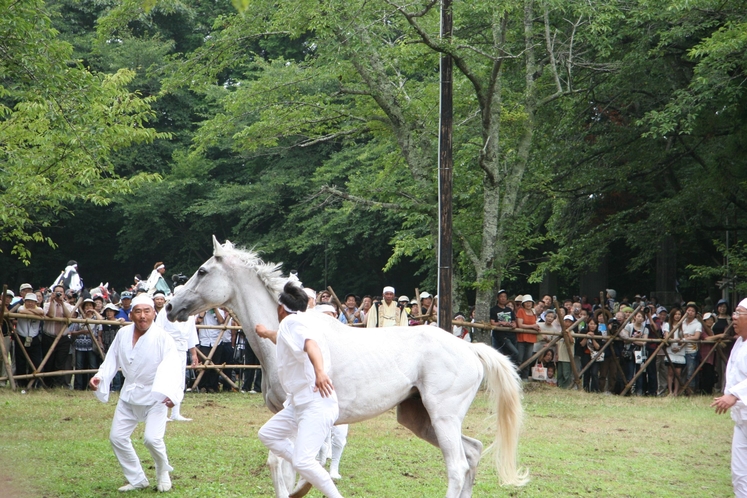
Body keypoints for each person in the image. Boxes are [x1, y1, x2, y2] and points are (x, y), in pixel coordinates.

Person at [255, 281, 344, 498]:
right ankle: (308, 468)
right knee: (267, 434)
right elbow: (284, 339)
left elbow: (309, 345)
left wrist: (320, 372)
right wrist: (266, 333)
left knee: (304, 462)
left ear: (280, 309)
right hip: (299, 403)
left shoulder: (292, 323)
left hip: (316, 402)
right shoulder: (298, 322)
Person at [89, 294, 183, 493]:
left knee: (152, 439)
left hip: (155, 395)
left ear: (154, 314)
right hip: (129, 394)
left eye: (146, 311)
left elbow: (173, 367)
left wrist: (171, 393)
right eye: (138, 311)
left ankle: (162, 471)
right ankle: (138, 479)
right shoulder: (122, 334)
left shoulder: (162, 338)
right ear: (131, 314)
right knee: (117, 437)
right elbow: (112, 358)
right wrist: (100, 376)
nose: (142, 316)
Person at [711, 297, 747, 497]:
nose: (734, 317)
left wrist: (734, 394)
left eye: (739, 313)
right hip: (743, 419)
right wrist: (728, 393)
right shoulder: (740, 343)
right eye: (734, 313)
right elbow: (734, 373)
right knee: (739, 472)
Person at [154, 287, 199, 421]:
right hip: (167, 348)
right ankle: (161, 413)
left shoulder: (189, 314)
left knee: (179, 380)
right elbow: (158, 331)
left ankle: (176, 413)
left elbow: (191, 335)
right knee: (165, 379)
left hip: (182, 349)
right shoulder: (165, 311)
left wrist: (194, 355)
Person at [42, 284, 73, 388]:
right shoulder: (47, 304)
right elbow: (50, 315)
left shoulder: (68, 306)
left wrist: (61, 303)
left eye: (61, 292)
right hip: (48, 337)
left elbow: (69, 316)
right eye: (57, 292)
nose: (59, 294)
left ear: (64, 294)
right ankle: (47, 384)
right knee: (49, 361)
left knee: (60, 362)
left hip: (63, 338)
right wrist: (52, 301)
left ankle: (57, 385)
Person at [70, 298, 103, 391]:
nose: (88, 307)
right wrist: (81, 332)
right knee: (79, 366)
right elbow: (73, 332)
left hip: (91, 345)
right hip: (80, 345)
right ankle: (79, 387)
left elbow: (101, 320)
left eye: (90, 305)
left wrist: (94, 311)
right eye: (86, 305)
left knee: (93, 365)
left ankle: (93, 386)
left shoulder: (96, 318)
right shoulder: (80, 319)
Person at [15, 293, 44, 388]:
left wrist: (31, 311)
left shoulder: (39, 308)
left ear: (36, 302)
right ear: (25, 301)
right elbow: (22, 312)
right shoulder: (20, 307)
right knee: (20, 362)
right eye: (28, 301)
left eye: (32, 302)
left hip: (34, 338)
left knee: (36, 361)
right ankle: (21, 383)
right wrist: (33, 312)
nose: (30, 303)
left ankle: (34, 383)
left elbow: (41, 313)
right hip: (21, 336)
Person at [489, 290, 518, 366]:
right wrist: (501, 323)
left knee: (510, 353)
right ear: (498, 298)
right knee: (515, 352)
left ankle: (505, 365)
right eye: (501, 296)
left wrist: (512, 325)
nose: (503, 298)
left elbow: (514, 322)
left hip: (511, 335)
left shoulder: (509, 310)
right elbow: (492, 322)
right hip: (500, 336)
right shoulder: (493, 309)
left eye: (505, 297)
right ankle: (504, 364)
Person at [515, 295, 539, 380]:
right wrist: (532, 326)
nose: (528, 304)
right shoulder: (520, 311)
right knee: (519, 359)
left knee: (528, 359)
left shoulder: (533, 312)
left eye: (530, 302)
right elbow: (520, 325)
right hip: (521, 338)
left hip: (531, 338)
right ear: (523, 303)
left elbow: (535, 323)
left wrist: (536, 327)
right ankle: (516, 377)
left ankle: (525, 377)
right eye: (526, 302)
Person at [682, 302, 703, 394]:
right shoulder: (682, 322)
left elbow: (696, 337)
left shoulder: (697, 324)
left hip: (692, 351)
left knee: (690, 373)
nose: (690, 312)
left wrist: (686, 338)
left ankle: (690, 392)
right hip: (681, 350)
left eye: (692, 311)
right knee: (681, 373)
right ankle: (681, 390)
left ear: (695, 313)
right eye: (688, 310)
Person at [666, 308, 686, 396]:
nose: (677, 316)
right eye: (675, 314)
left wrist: (680, 347)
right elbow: (667, 337)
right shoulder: (667, 325)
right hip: (670, 351)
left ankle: (675, 392)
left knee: (678, 373)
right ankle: (670, 391)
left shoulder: (683, 326)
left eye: (679, 314)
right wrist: (674, 340)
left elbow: (685, 339)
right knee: (670, 372)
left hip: (680, 351)